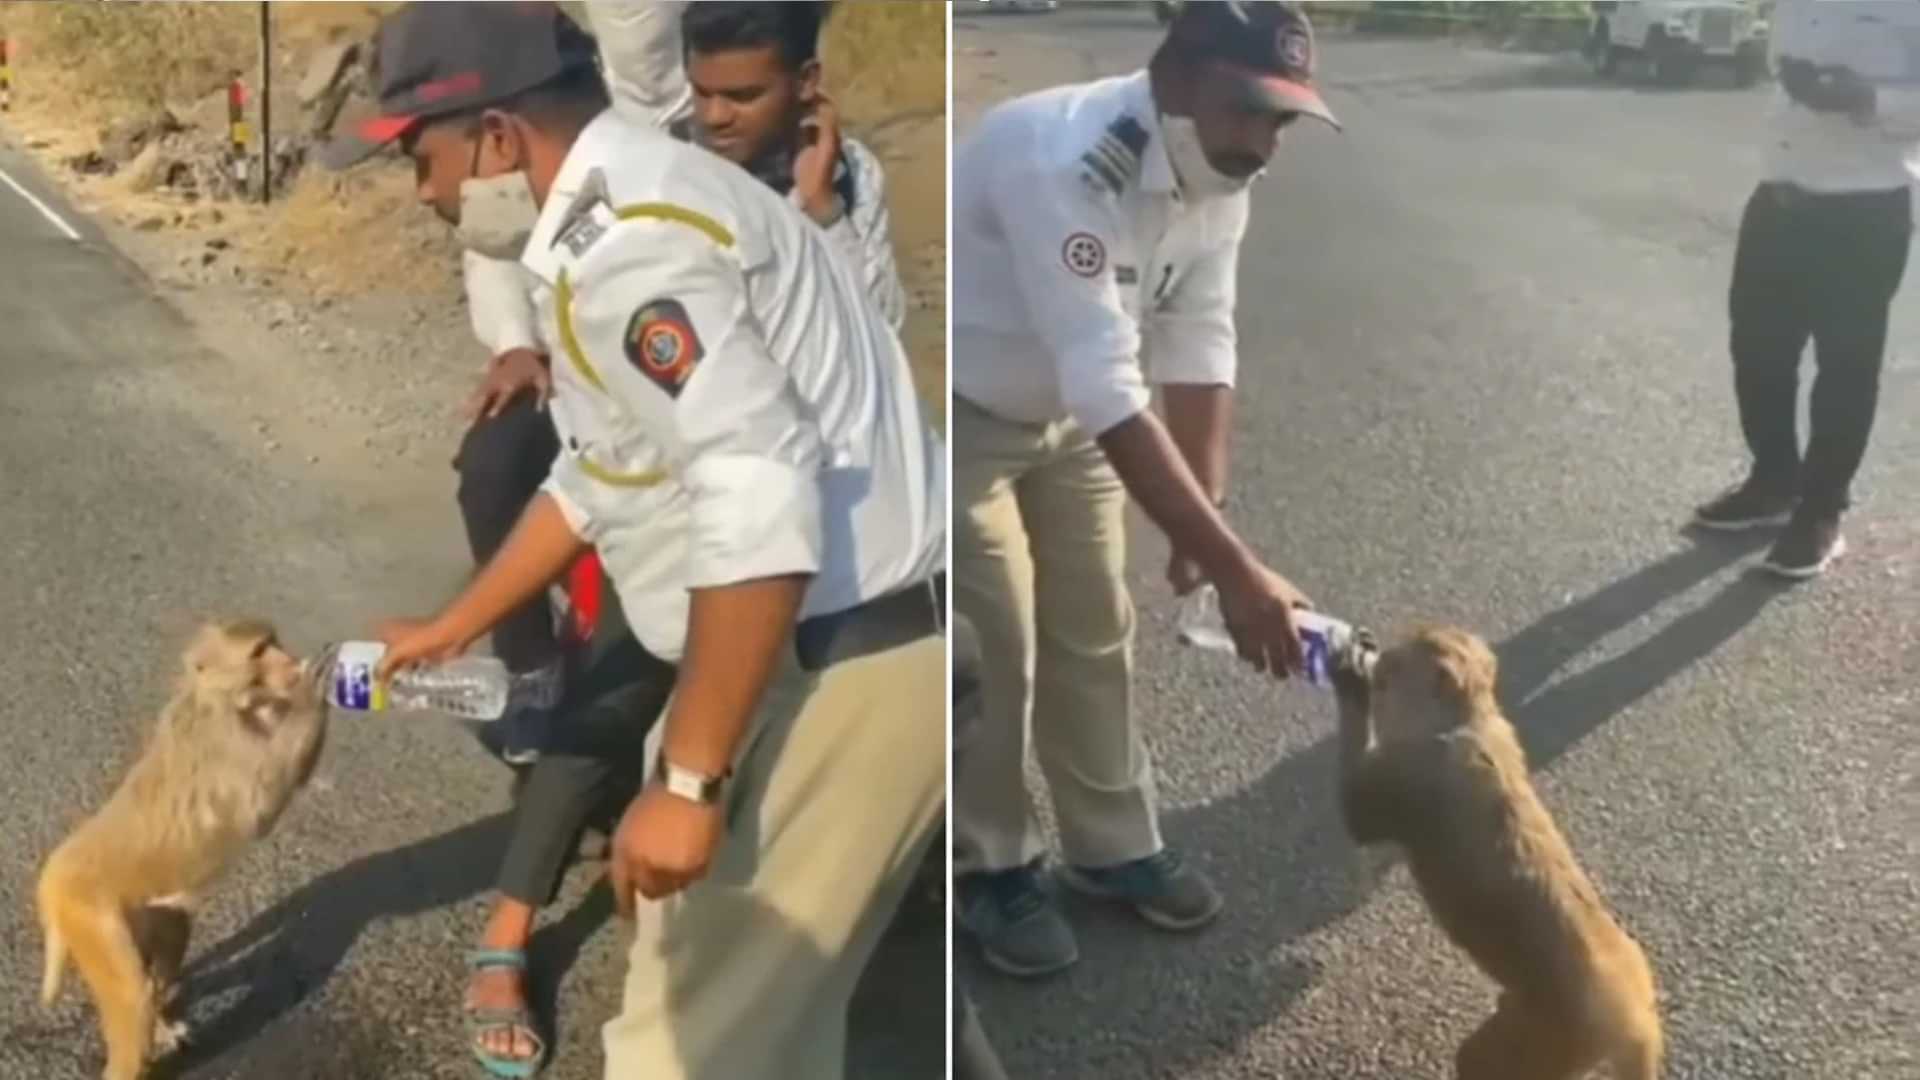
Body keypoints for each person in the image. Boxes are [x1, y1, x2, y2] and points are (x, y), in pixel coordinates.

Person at [318, 4, 946, 1079]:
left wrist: (690, 780)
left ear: (498, 138)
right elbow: (599, 472)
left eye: (422, 158)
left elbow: (756, 485)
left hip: (837, 674)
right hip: (802, 659)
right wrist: (453, 626)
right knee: (782, 1022)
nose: (422, 192)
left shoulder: (632, 248)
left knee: (688, 1052)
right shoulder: (619, 214)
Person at [948, 0, 1339, 979]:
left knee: (1094, 625)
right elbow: (1109, 381)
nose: (1264, 142)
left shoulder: (1219, 173)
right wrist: (1236, 572)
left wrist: (1204, 516)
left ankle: (1109, 846)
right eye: (1249, 109)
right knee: (996, 643)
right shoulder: (1066, 163)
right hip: (961, 410)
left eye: (1283, 120)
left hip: (1070, 419)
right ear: (1181, 73)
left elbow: (1201, 335)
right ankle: (989, 865)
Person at [1690, 0, 1920, 579]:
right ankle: (1773, 481)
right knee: (1758, 351)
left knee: (1845, 368)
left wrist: (1865, 99)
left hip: (1863, 213)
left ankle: (1821, 510)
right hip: (1777, 200)